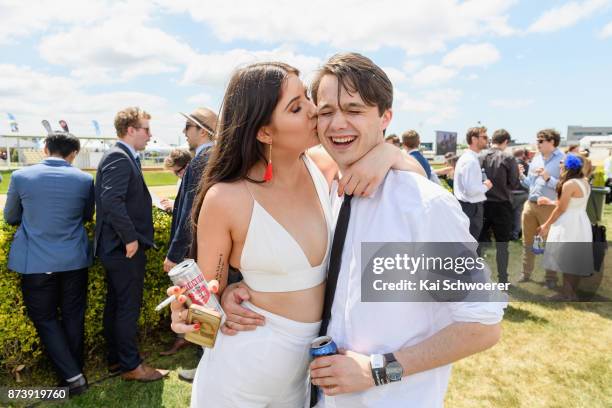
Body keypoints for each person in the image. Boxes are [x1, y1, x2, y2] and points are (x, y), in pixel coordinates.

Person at [215, 53, 505, 408]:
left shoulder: (422, 207)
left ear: (385, 117)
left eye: (354, 110)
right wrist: (238, 290)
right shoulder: (329, 192)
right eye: (325, 111)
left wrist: (377, 371)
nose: (337, 124)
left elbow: (482, 327)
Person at [169, 61, 424, 408]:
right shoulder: (227, 198)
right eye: (296, 107)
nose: (313, 110)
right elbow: (205, 310)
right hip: (240, 375)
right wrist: (192, 316)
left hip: (306, 375)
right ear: (264, 132)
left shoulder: (326, 165)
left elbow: (413, 177)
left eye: (306, 97)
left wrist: (386, 153)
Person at [4, 132, 94, 396]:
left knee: (44, 318)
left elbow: (10, 216)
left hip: (37, 262)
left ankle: (73, 377)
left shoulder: (21, 176)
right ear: (74, 154)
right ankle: (73, 372)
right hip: (74, 259)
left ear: (45, 149)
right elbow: (88, 215)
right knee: (73, 316)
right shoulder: (85, 179)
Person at [94, 107, 168, 381]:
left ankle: (117, 361)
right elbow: (112, 201)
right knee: (126, 307)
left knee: (117, 306)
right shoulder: (119, 157)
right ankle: (130, 366)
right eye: (146, 129)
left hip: (118, 249)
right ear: (130, 130)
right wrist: (130, 239)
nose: (150, 135)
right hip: (123, 249)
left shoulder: (124, 156)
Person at [161, 108, 218, 365]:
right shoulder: (215, 155)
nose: (184, 133)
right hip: (213, 246)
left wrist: (174, 254)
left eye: (188, 127)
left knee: (201, 304)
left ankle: (204, 363)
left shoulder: (202, 158)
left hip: (197, 250)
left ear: (202, 130)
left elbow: (188, 212)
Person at [537, 154, 593, 300]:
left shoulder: (569, 184)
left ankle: (566, 294)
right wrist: (549, 202)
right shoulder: (584, 181)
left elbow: (562, 208)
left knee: (566, 258)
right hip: (580, 220)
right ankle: (570, 293)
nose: (560, 165)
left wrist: (546, 224)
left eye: (562, 163)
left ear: (568, 167)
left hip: (569, 223)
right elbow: (569, 203)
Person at [518, 129, 565, 288]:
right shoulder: (536, 159)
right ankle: (525, 274)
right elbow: (530, 184)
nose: (537, 144)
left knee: (549, 242)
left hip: (549, 207)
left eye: (540, 141)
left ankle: (551, 278)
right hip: (530, 205)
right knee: (527, 241)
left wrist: (548, 178)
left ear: (552, 142)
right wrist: (521, 176)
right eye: (537, 141)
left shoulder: (562, 159)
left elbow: (565, 187)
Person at [479, 129, 520, 283]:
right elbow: (515, 183)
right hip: (502, 205)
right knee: (502, 245)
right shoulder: (508, 158)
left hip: (483, 204)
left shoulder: (480, 156)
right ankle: (502, 279)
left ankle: (478, 277)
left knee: (480, 243)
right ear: (506, 142)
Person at [453, 127, 493, 241]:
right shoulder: (470, 160)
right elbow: (471, 190)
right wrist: (486, 186)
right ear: (474, 139)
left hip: (467, 206)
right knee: (470, 243)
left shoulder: (468, 158)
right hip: (471, 208)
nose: (487, 140)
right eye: (484, 137)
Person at [159, 148, 193, 213]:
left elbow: (190, 208)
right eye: (174, 173)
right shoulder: (181, 181)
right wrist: (169, 202)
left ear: (187, 165)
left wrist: (174, 206)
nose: (177, 175)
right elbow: (183, 202)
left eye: (178, 171)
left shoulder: (194, 183)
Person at [511, 149, 530, 240]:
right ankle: (515, 234)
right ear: (522, 154)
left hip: (512, 192)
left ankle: (511, 234)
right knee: (518, 215)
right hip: (523, 192)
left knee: (510, 214)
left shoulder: (510, 163)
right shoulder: (527, 165)